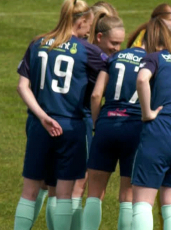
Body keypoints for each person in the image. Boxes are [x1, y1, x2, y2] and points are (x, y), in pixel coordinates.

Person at [14, 0, 107, 230]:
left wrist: (42, 116)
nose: (90, 29)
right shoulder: (89, 51)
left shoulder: (37, 43)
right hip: (70, 126)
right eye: (90, 24)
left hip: (39, 125)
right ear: (83, 21)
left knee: (30, 191)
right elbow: (112, 74)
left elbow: (22, 87)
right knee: (64, 193)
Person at [130, 17, 171, 230]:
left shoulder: (154, 58)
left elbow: (141, 79)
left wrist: (147, 112)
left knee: (142, 203)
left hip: (161, 132)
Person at [82, 19, 142, 230]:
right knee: (127, 195)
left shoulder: (114, 58)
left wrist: (99, 123)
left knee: (94, 194)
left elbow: (97, 95)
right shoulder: (152, 61)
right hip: (134, 127)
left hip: (107, 124)